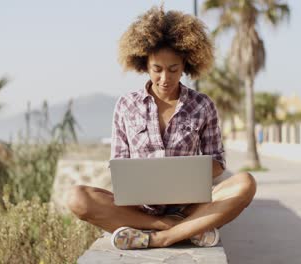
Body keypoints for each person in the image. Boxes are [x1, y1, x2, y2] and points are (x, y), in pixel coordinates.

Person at [67, 5, 257, 250]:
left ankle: (161, 237)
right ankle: (172, 227)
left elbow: (219, 163)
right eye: (157, 69)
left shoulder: (202, 105)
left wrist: (185, 174)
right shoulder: (126, 105)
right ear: (144, 65)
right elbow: (119, 164)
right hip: (139, 209)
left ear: (186, 65)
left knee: (245, 183)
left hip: (189, 206)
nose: (165, 78)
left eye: (173, 69)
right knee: (77, 198)